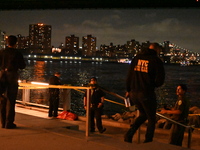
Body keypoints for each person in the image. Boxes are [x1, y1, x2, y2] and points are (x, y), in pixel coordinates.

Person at [124, 43, 165, 143]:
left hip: (134, 93)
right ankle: (148, 140)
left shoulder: (136, 58)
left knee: (143, 114)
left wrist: (128, 89)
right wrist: (152, 85)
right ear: (157, 50)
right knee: (151, 117)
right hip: (146, 93)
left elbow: (129, 75)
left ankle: (129, 134)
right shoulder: (156, 60)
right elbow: (160, 80)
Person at [0, 35, 26, 129]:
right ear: (16, 43)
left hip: (2, 75)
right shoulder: (17, 53)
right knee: (11, 100)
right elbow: (22, 66)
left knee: (2, 100)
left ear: (7, 42)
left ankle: (2, 122)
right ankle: (9, 123)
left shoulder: (2, 52)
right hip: (12, 76)